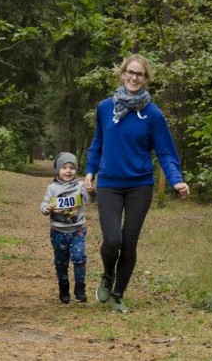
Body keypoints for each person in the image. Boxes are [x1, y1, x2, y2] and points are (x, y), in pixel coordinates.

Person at [84, 54, 190, 313]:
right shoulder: (105, 108)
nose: (134, 77)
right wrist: (90, 171)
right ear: (122, 74)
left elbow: (165, 152)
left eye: (139, 74)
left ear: (146, 79)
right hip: (109, 183)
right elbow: (98, 143)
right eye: (130, 72)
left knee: (129, 242)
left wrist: (176, 181)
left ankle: (118, 295)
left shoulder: (153, 115)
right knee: (112, 240)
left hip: (139, 186)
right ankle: (108, 274)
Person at [40, 152, 96, 304]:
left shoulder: (80, 185)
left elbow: (90, 200)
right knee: (61, 261)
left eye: (72, 167)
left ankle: (80, 287)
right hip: (58, 231)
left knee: (79, 258)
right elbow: (44, 204)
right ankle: (64, 287)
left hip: (77, 230)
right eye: (64, 167)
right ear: (58, 170)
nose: (68, 171)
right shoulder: (52, 188)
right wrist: (46, 209)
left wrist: (91, 191)